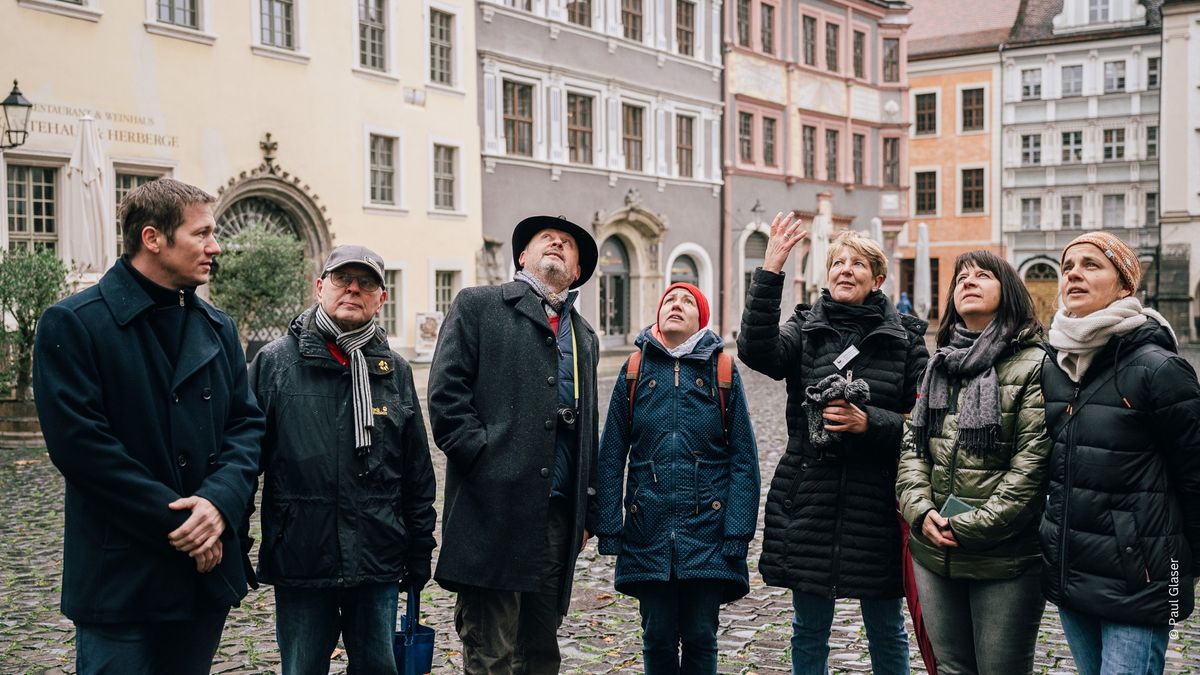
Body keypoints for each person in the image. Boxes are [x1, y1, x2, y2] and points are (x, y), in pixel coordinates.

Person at [32, 178, 263, 674]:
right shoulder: (73, 323)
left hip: (204, 574)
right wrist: (186, 524)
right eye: (201, 234)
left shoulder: (218, 327)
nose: (215, 247)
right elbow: (82, 448)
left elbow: (246, 426)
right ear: (153, 238)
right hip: (122, 576)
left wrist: (219, 503)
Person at [738, 213, 928, 675]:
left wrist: (872, 423)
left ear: (877, 278)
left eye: (857, 264)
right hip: (811, 500)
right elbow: (755, 350)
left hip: (878, 505)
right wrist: (772, 271)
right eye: (838, 262)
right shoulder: (806, 328)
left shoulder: (905, 340)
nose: (845, 269)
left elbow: (928, 427)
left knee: (886, 627)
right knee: (809, 628)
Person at [249, 245, 437, 675]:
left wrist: (419, 551)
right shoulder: (275, 363)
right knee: (301, 669)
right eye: (341, 279)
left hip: (378, 556)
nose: (353, 288)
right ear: (320, 287)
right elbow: (244, 462)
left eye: (366, 282)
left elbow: (416, 474)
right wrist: (234, 544)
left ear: (381, 298)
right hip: (302, 557)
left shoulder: (395, 370)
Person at [428, 215, 600, 674]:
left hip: (556, 520)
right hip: (493, 511)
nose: (559, 244)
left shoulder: (584, 337)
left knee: (540, 653)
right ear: (523, 256)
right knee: (492, 652)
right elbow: (447, 400)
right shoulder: (479, 306)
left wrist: (586, 506)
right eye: (548, 239)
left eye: (569, 245)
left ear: (578, 271)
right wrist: (487, 464)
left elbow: (589, 428)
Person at [1040, 232, 1200, 675]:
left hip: (1143, 577)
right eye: (1068, 266)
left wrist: (1182, 567)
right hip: (1073, 570)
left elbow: (1194, 474)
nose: (1073, 273)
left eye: (1092, 265)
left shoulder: (1159, 368)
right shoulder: (1055, 365)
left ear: (1125, 285)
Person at [896, 250, 1051, 674]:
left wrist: (967, 526)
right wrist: (922, 512)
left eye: (983, 275)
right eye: (961, 276)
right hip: (933, 550)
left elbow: (1031, 467)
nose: (968, 280)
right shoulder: (940, 364)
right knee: (950, 669)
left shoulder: (1036, 364)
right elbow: (913, 447)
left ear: (1010, 292)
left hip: (1003, 557)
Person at [595, 282, 761, 675]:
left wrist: (737, 532)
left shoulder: (721, 370)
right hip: (647, 529)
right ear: (658, 313)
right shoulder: (635, 369)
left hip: (708, 531)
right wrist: (609, 527)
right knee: (657, 637)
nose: (676, 305)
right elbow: (611, 453)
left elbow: (744, 457)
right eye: (670, 299)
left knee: (702, 637)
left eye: (687, 301)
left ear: (699, 320)